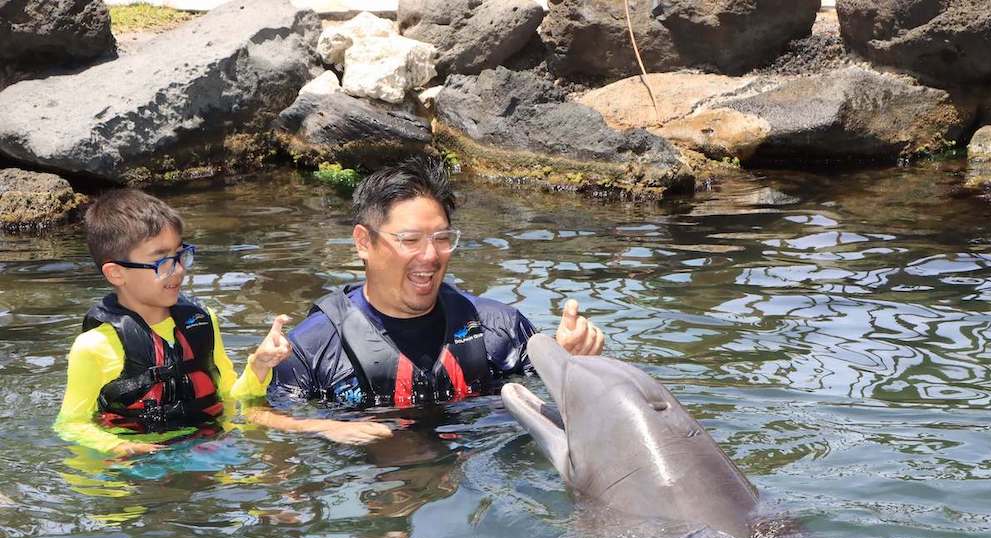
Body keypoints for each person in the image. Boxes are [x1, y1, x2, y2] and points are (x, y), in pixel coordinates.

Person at [264, 157, 604, 429]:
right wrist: (323, 427)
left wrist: (571, 364)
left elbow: (559, 405)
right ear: (363, 242)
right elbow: (262, 419)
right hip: (370, 482)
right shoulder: (310, 348)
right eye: (410, 240)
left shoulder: (501, 328)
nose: (430, 256)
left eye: (442, 239)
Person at [54, 189, 297, 458]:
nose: (179, 270)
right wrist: (121, 446)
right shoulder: (94, 346)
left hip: (204, 448)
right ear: (116, 273)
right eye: (161, 261)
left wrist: (260, 364)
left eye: (181, 255)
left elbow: (230, 397)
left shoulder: (201, 322)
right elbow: (71, 425)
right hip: (136, 465)